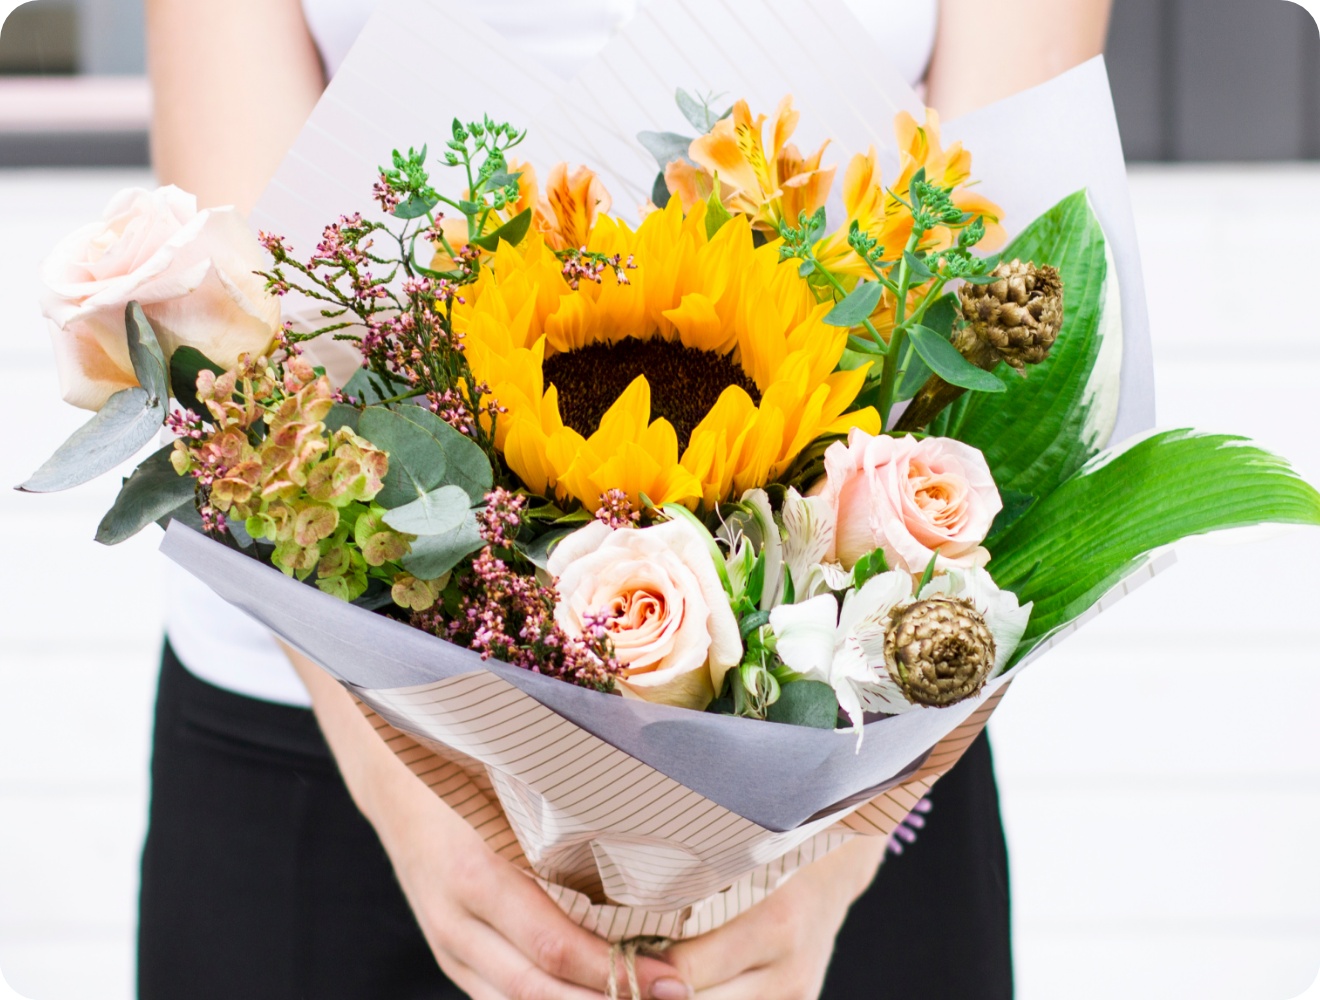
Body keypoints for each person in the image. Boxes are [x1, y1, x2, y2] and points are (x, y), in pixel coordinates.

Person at [140, 1, 1113, 997]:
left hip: (853, 763)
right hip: (340, 736)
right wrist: (412, 793)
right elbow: (239, 319)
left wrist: (837, 850)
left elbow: (1012, 267)